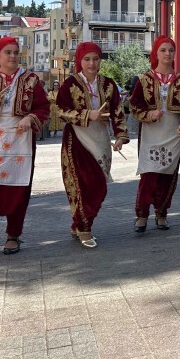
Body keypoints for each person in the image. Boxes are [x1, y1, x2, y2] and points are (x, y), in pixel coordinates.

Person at [0, 37, 50, 255]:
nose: (12, 56)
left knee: (17, 189)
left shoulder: (31, 79)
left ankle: (13, 234)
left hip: (19, 140)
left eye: (15, 52)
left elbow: (44, 108)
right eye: (7, 52)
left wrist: (30, 118)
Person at [56, 43, 128, 247]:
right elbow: (60, 110)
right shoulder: (69, 84)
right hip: (77, 139)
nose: (92, 63)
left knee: (100, 186)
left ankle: (78, 224)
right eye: (87, 59)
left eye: (95, 59)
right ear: (80, 61)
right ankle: (84, 228)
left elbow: (118, 111)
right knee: (84, 185)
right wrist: (88, 114)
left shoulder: (108, 84)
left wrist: (121, 135)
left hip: (101, 139)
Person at [129, 36, 180, 232]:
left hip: (173, 133)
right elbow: (134, 105)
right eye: (163, 50)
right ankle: (142, 214)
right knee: (149, 175)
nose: (168, 54)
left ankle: (162, 212)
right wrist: (149, 114)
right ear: (156, 53)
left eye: (171, 50)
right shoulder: (144, 79)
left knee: (168, 176)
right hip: (151, 132)